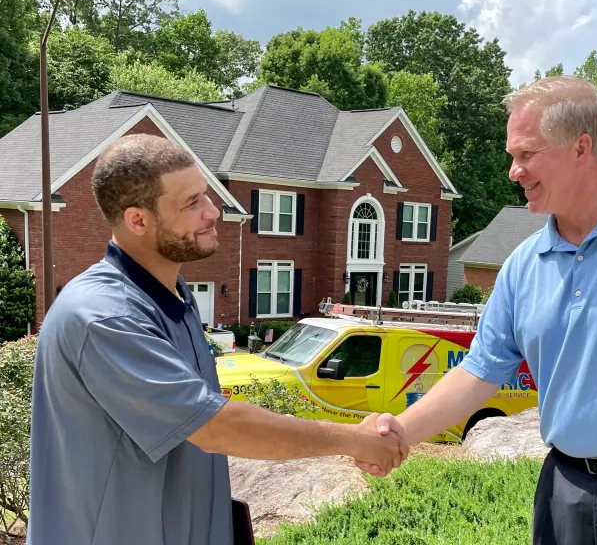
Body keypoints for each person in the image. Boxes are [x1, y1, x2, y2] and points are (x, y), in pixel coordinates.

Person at [359, 75, 597, 544]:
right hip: (565, 494)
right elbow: (479, 372)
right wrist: (398, 431)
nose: (513, 171)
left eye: (526, 154)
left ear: (581, 148)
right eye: (511, 157)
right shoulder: (523, 264)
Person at [27, 133, 407, 545]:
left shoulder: (175, 296)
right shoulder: (104, 316)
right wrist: (357, 440)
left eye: (206, 196)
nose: (213, 212)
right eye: (191, 202)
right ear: (138, 220)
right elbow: (215, 427)